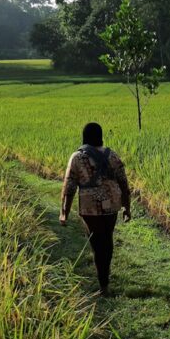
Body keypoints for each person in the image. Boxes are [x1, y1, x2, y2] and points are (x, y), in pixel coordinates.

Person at [60, 122, 131, 297]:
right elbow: (124, 183)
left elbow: (69, 188)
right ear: (101, 136)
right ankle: (105, 278)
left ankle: (103, 286)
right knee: (107, 239)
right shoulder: (112, 155)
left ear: (84, 137)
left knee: (97, 243)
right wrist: (126, 207)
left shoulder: (77, 157)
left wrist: (64, 213)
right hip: (112, 203)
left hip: (91, 207)